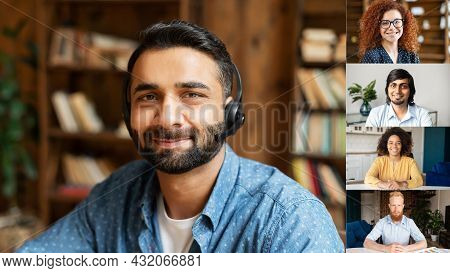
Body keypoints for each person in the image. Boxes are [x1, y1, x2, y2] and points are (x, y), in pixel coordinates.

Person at [17, 21, 343, 253]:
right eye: (148, 97)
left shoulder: (288, 220)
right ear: (128, 115)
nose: (168, 117)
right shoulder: (114, 198)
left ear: (230, 113)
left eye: (191, 95)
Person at [365, 69, 432, 127]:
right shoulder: (376, 113)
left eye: (403, 86)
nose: (397, 91)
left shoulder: (423, 115)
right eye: (393, 85)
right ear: (387, 89)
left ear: (411, 90)